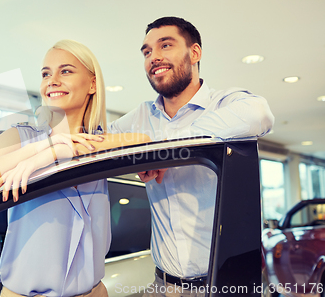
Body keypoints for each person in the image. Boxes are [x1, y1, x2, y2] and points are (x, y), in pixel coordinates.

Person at [0, 39, 149, 297]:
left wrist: (62, 150)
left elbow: (144, 142)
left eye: (65, 71)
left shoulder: (99, 143)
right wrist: (40, 149)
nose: (52, 80)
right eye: (45, 74)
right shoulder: (21, 137)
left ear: (93, 84)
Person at [108, 17, 275, 297]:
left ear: (194, 53)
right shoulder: (139, 118)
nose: (154, 57)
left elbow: (260, 115)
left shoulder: (225, 103)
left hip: (225, 286)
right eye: (147, 51)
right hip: (163, 286)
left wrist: (162, 149)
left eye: (166, 45)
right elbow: (96, 142)